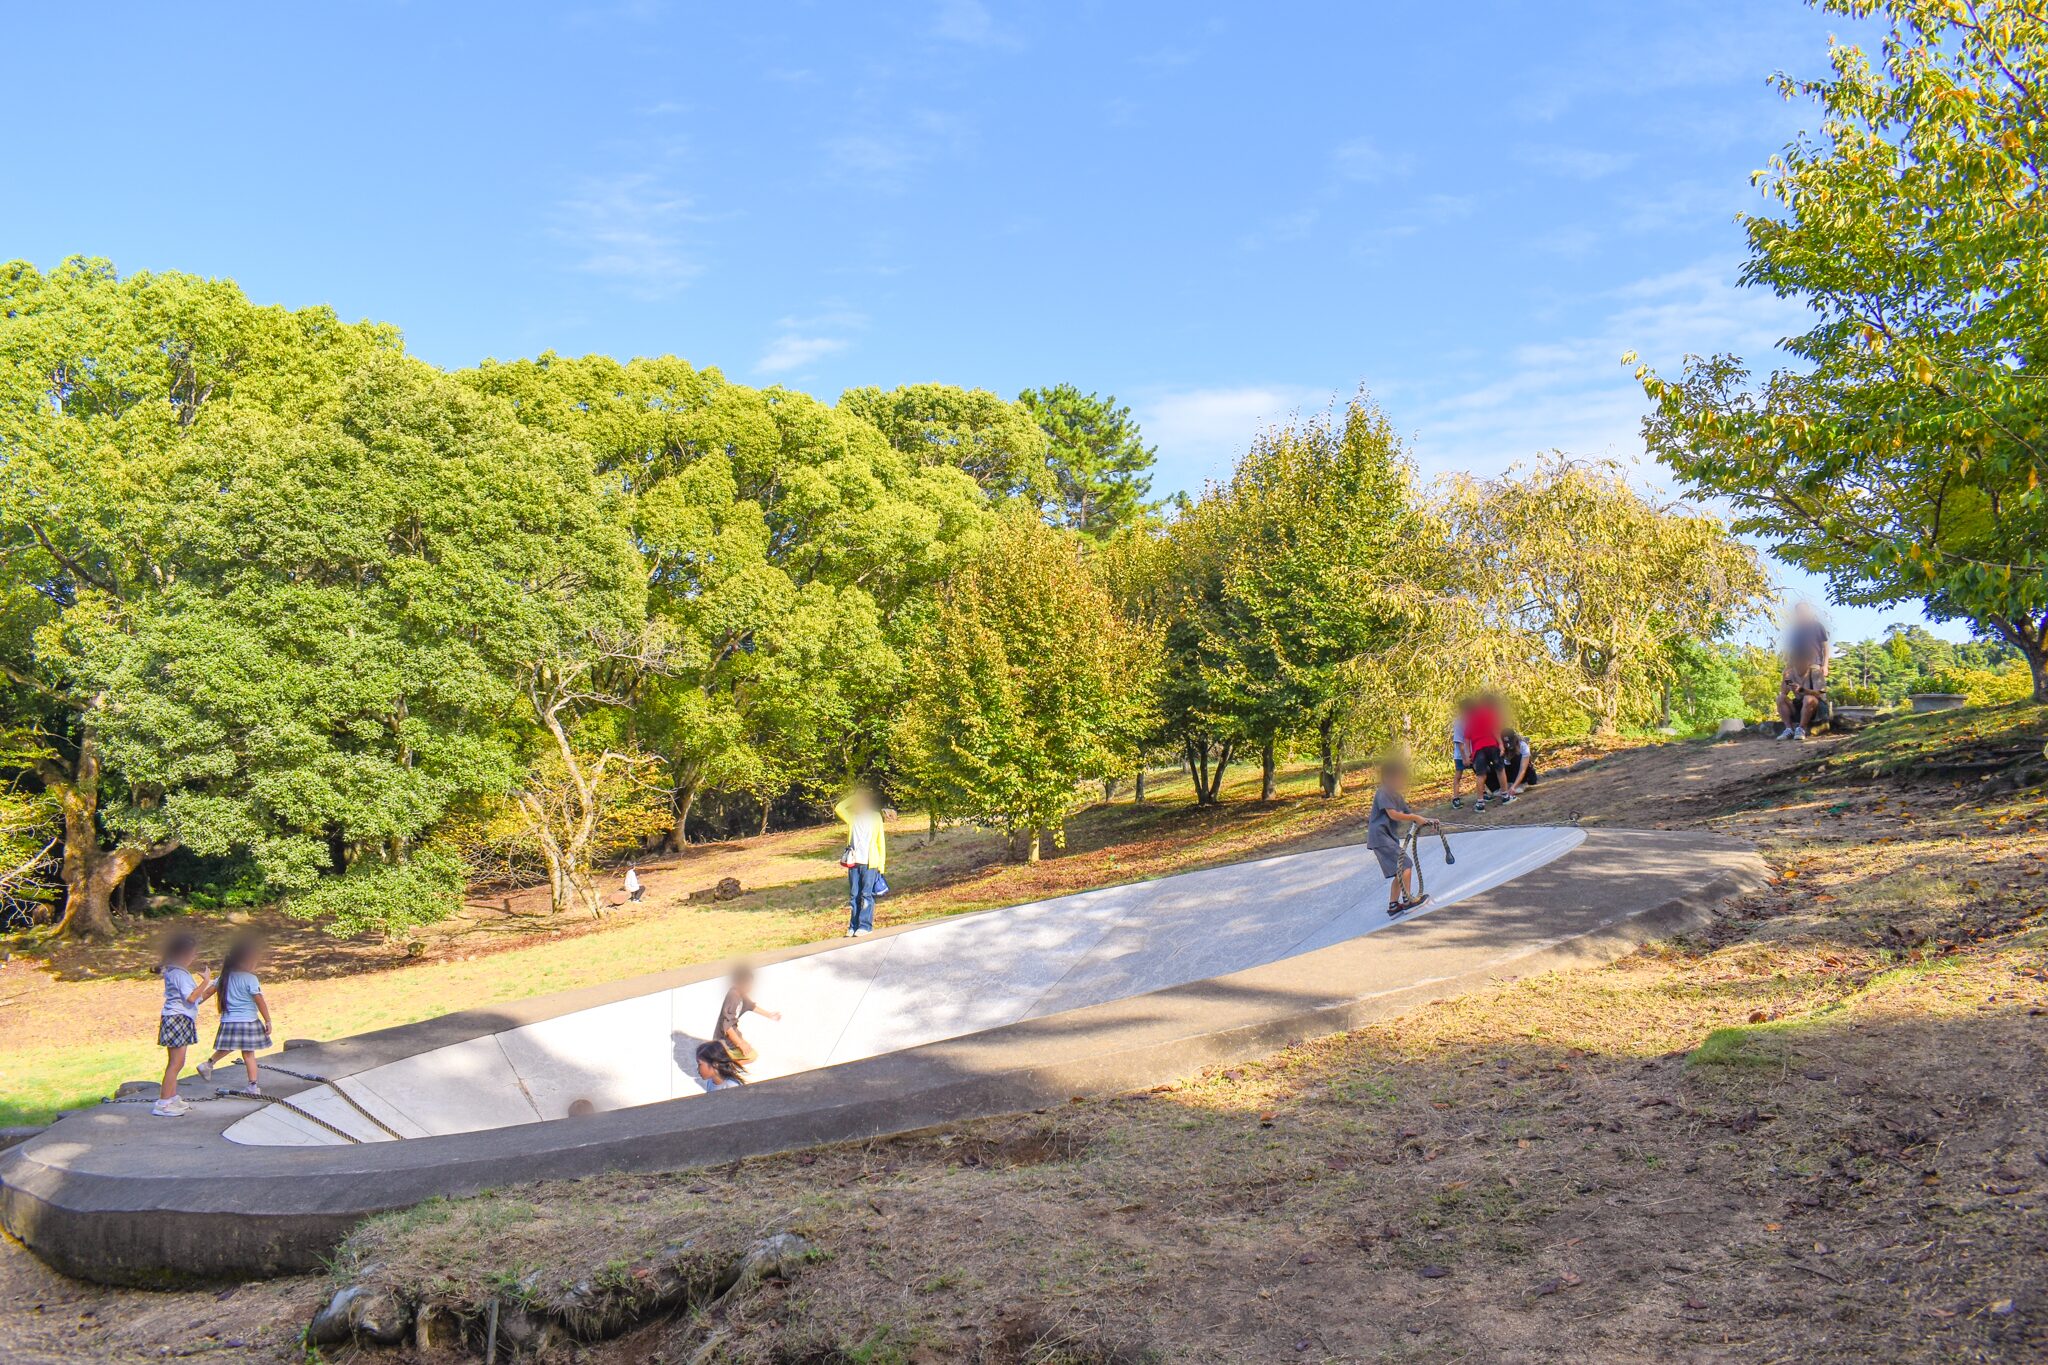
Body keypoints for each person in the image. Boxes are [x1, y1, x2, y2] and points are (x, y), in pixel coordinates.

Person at [193, 936, 272, 1095]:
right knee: (248, 1054)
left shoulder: (223, 978)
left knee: (229, 1046)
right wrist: (268, 1020)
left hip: (229, 1021)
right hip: (248, 1021)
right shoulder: (250, 979)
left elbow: (202, 997)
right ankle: (252, 1086)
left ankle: (209, 1064)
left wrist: (189, 1002)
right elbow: (260, 1000)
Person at [1368, 757, 1437, 917]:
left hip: (1386, 838)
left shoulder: (1397, 796)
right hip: (1380, 837)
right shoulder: (1383, 792)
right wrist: (1414, 818)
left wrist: (1429, 821)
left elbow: (1409, 814)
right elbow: (1393, 815)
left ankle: (1393, 905)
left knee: (1400, 870)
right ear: (1387, 778)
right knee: (1406, 865)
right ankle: (1408, 900)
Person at [151, 932, 209, 1117]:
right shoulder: (179, 974)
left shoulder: (173, 971)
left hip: (178, 1018)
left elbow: (195, 998)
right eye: (192, 954)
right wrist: (206, 981)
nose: (193, 957)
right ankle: (164, 1103)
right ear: (182, 954)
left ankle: (172, 1096)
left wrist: (210, 988)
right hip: (178, 1019)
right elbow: (192, 997)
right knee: (176, 1063)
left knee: (177, 1062)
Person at [833, 786, 887, 937]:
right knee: (853, 895)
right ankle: (853, 926)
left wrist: (881, 866)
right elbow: (838, 808)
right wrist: (853, 797)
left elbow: (880, 842)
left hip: (870, 862)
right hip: (854, 862)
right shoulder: (852, 818)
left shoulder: (875, 817)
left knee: (866, 895)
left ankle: (865, 926)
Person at [1778, 603, 1831, 741]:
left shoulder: (1817, 626)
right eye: (1798, 612)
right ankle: (1789, 729)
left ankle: (1801, 728)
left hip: (1815, 664)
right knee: (1781, 698)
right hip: (1799, 702)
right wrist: (1788, 680)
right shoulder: (1796, 631)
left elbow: (1825, 646)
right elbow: (1784, 691)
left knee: (1809, 697)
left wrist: (1825, 665)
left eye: (1803, 611)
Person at [713, 965, 780, 1064]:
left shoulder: (740, 994)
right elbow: (727, 1027)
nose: (750, 987)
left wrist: (769, 1014)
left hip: (732, 1036)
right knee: (751, 1056)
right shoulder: (733, 997)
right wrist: (740, 1043)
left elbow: (751, 1006)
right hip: (724, 1041)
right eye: (747, 984)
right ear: (738, 983)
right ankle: (724, 1068)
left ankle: (725, 1063)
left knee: (748, 1051)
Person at [1463, 692, 1505, 813]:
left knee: (1481, 775)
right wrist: (1501, 744)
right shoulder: (1489, 713)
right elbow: (1494, 729)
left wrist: (1469, 754)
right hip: (1492, 744)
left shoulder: (1471, 717)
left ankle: (1480, 803)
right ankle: (1505, 795)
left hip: (1478, 748)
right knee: (1500, 770)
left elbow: (1466, 738)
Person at [1448, 698, 1473, 810]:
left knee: (1479, 772)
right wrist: (1464, 757)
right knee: (1458, 775)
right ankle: (1456, 798)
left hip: (1472, 751)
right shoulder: (1459, 722)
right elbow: (1459, 741)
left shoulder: (1472, 720)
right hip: (1460, 754)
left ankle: (1483, 792)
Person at [1501, 726, 1540, 796]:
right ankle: (1507, 785)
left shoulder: (1523, 746)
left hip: (1522, 773)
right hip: (1510, 774)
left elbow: (1523, 770)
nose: (1508, 746)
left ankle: (1520, 784)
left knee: (1518, 757)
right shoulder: (1501, 749)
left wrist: (1514, 787)